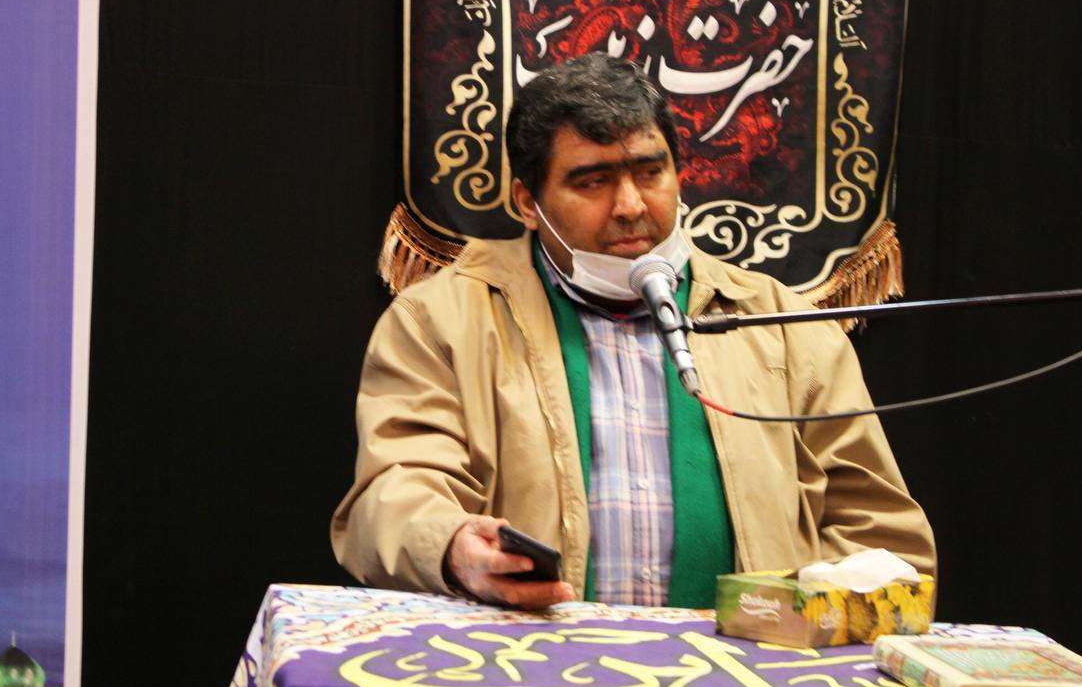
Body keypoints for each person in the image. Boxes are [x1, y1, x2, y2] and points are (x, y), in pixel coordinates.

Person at [332, 53, 935, 610]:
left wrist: (804, 620)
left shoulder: (782, 326)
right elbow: (394, 494)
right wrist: (455, 546)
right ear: (527, 202)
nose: (630, 206)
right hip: (528, 669)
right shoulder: (441, 321)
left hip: (742, 674)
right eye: (591, 181)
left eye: (650, 172)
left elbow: (878, 534)